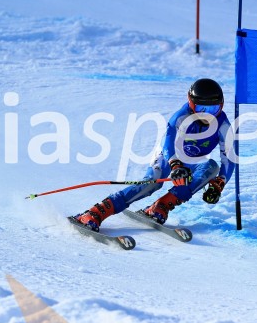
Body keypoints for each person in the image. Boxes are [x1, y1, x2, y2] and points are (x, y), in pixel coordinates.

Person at [74, 79, 234, 230]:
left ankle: (161, 206)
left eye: (213, 109)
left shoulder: (223, 125)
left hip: (193, 161)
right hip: (168, 155)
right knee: (151, 184)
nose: (206, 115)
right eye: (201, 109)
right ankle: (96, 212)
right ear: (192, 104)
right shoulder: (181, 117)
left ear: (221, 106)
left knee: (211, 168)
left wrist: (220, 182)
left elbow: (229, 158)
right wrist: (175, 164)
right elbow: (168, 143)